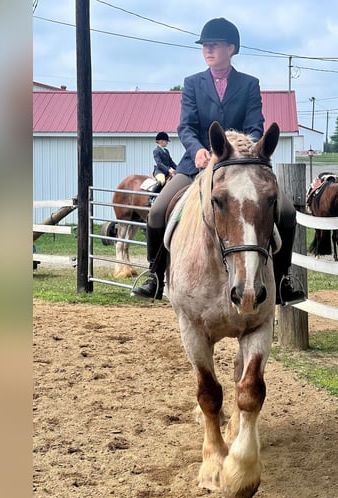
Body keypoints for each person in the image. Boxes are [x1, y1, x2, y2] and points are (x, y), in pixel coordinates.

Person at [131, 17, 306, 305]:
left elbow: (255, 126)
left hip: (241, 167)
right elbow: (185, 126)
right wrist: (199, 148)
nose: (207, 50)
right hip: (197, 164)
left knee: (286, 212)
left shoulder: (249, 84)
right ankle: (154, 275)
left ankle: (285, 279)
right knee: (157, 211)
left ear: (231, 48)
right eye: (205, 46)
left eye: (214, 45)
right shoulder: (192, 84)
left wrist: (240, 150)